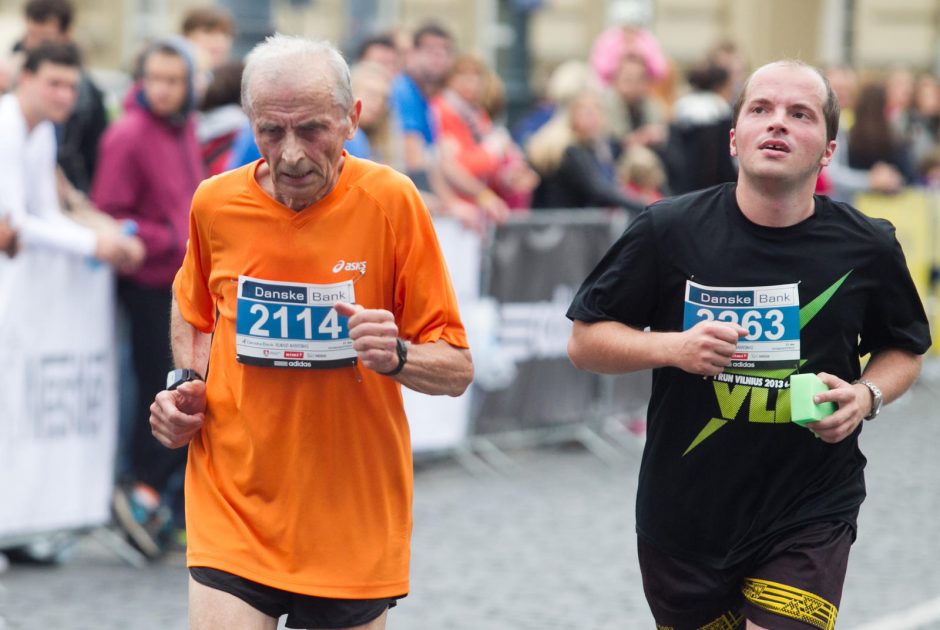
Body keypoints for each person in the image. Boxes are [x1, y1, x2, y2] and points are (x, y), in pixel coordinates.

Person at [566, 60, 931, 629]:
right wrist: (673, 348)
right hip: (684, 518)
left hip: (809, 507)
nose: (777, 124)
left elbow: (904, 349)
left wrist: (866, 396)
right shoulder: (667, 230)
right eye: (760, 109)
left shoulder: (868, 246)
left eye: (799, 114)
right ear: (736, 138)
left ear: (828, 149)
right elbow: (585, 341)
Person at [149, 35, 473, 629]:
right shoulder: (216, 204)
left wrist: (397, 355)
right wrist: (186, 384)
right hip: (235, 500)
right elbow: (192, 305)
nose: (291, 154)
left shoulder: (392, 203)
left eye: (313, 130)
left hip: (349, 512)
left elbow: (455, 367)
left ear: (352, 120)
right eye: (270, 131)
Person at [92, 37, 205, 557]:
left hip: (183, 280)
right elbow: (111, 216)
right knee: (157, 387)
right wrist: (166, 237)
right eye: (153, 79)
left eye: (172, 80)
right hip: (148, 284)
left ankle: (162, 498)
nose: (161, 90)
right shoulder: (128, 134)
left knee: (187, 385)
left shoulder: (183, 130)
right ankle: (140, 490)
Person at [0, 41, 142, 269]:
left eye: (71, 87)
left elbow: (44, 210)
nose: (64, 96)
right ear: (26, 79)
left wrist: (102, 239)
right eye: (54, 84)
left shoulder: (43, 128)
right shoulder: (5, 124)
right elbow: (15, 221)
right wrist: (92, 243)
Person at [14, 0, 108, 194]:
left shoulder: (89, 98)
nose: (34, 45)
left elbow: (95, 158)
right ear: (26, 80)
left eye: (45, 38)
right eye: (31, 35)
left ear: (66, 36)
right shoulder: (7, 76)